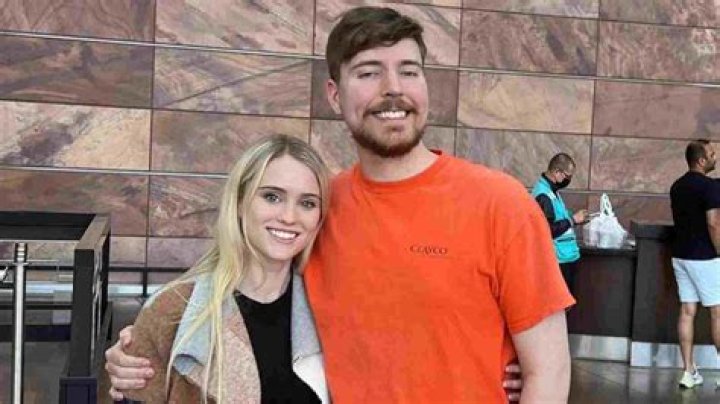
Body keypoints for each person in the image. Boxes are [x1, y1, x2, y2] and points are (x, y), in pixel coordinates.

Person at [106, 7, 574, 403]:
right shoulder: (318, 210)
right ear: (335, 94)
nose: (393, 88)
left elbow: (548, 371)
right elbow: (240, 292)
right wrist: (148, 342)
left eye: (409, 70)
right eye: (369, 72)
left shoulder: (500, 204)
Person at [117, 135, 331, 403]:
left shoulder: (329, 312)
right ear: (240, 202)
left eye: (307, 203)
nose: (289, 217)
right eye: (272, 197)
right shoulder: (172, 311)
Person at [669, 139, 720, 389]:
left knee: (687, 311)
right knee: (717, 312)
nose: (715, 157)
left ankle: (688, 372)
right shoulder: (709, 187)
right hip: (705, 258)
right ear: (701, 160)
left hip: (680, 256)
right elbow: (713, 223)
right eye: (711, 154)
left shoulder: (676, 186)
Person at [531, 153, 588, 293]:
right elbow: (546, 230)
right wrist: (573, 220)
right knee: (560, 303)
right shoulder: (543, 195)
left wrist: (574, 219)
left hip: (564, 257)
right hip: (557, 260)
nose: (568, 180)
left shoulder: (552, 192)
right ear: (557, 172)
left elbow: (558, 219)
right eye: (567, 176)